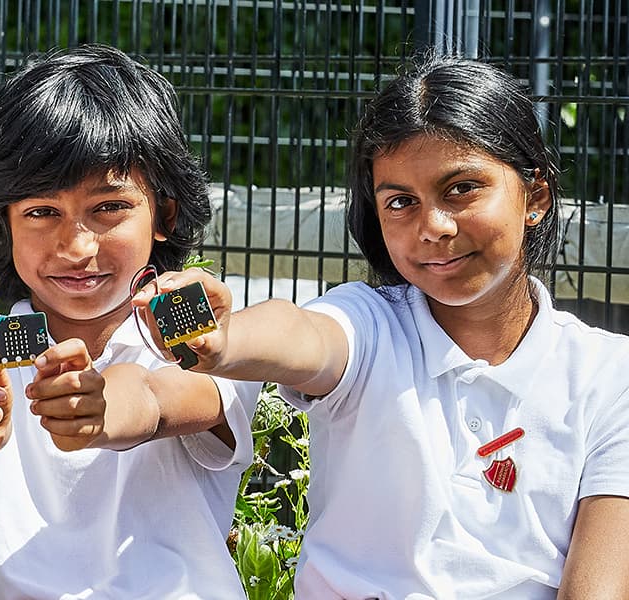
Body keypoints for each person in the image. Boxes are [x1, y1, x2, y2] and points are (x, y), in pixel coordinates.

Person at [159, 56, 629, 599]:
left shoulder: (610, 377)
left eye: (462, 189)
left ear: (537, 198)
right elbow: (303, 335)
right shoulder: (369, 325)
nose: (433, 227)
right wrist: (224, 342)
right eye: (401, 202)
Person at [0, 44, 259, 598]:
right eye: (42, 212)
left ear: (163, 213)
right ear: (3, 221)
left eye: (108, 207)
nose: (76, 245)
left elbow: (179, 392)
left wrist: (106, 406)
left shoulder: (197, 334)